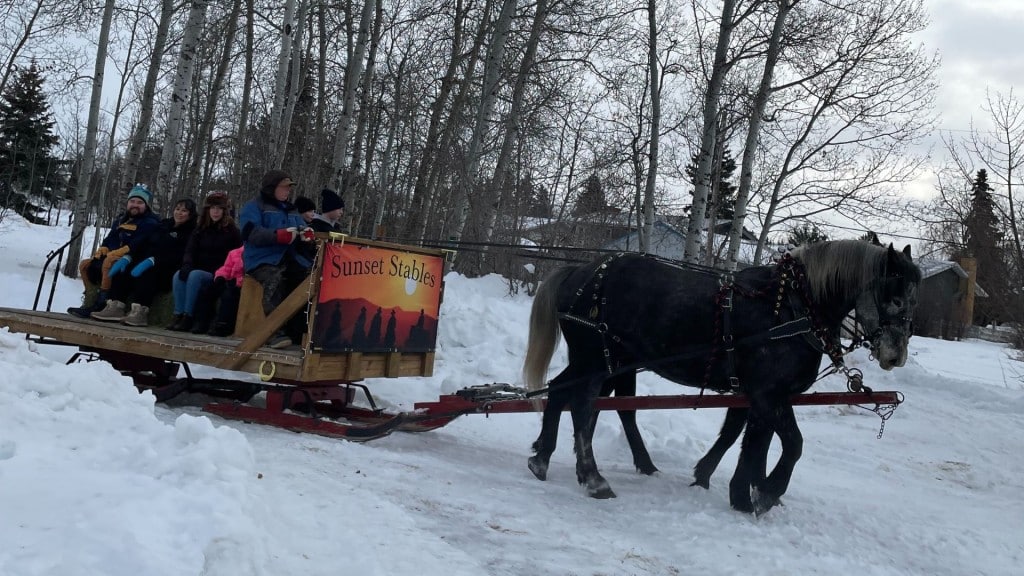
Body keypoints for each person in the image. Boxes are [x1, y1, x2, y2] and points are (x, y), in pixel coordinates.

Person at [90, 197, 198, 326]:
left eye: (184, 211)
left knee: (147, 273)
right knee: (124, 269)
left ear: (190, 214)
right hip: (146, 260)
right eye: (177, 209)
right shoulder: (164, 225)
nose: (179, 213)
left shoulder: (191, 232)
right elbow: (143, 242)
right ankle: (115, 305)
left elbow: (182, 254)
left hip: (168, 268)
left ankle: (140, 312)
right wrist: (129, 256)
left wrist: (155, 260)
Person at [239, 170, 314, 349]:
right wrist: (277, 236)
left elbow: (302, 228)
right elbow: (250, 233)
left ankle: (299, 332)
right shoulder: (254, 207)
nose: (288, 191)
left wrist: (308, 235)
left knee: (309, 281)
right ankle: (273, 332)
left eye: (289, 188)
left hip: (291, 259)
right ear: (271, 188)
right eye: (284, 187)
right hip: (261, 260)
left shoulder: (292, 209)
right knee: (274, 279)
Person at [68, 184, 160, 319]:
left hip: (132, 258)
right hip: (114, 254)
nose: (135, 205)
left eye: (140, 202)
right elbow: (111, 238)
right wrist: (104, 248)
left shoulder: (150, 222)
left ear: (146, 205)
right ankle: (89, 297)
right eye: (132, 201)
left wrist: (122, 252)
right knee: (85, 264)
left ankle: (102, 302)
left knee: (108, 262)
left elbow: (140, 242)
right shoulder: (121, 219)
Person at [167, 192, 242, 332]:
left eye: (219, 208)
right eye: (212, 208)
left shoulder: (232, 232)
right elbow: (190, 251)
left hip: (217, 272)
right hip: (198, 267)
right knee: (179, 275)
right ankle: (178, 314)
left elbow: (237, 256)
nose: (215, 211)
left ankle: (189, 316)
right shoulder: (200, 229)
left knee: (195, 276)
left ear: (225, 211)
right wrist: (187, 265)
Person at [199, 245, 244, 337]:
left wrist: (237, 281)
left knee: (228, 295)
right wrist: (220, 276)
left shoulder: (256, 253)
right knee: (207, 290)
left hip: (241, 284)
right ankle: (201, 322)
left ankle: (223, 325)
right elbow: (226, 268)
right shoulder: (234, 252)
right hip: (230, 281)